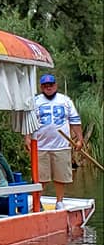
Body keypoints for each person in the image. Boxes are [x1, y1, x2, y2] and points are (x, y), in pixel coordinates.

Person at [28, 73, 83, 209]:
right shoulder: (35, 102)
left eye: (51, 85)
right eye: (45, 85)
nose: (48, 88)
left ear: (55, 85)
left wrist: (79, 139)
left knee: (61, 176)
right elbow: (29, 122)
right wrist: (27, 138)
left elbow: (75, 121)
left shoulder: (65, 100)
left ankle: (59, 201)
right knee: (40, 177)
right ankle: (37, 202)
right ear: (41, 87)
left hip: (61, 145)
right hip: (40, 145)